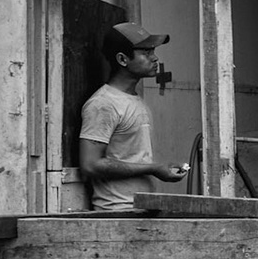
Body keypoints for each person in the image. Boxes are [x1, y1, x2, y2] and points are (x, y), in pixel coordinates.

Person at [79, 21, 187, 210]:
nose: (155, 58)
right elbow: (90, 165)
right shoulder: (103, 104)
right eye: (146, 53)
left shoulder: (134, 99)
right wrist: (154, 168)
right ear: (123, 59)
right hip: (118, 212)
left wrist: (159, 168)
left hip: (138, 210)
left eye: (152, 52)